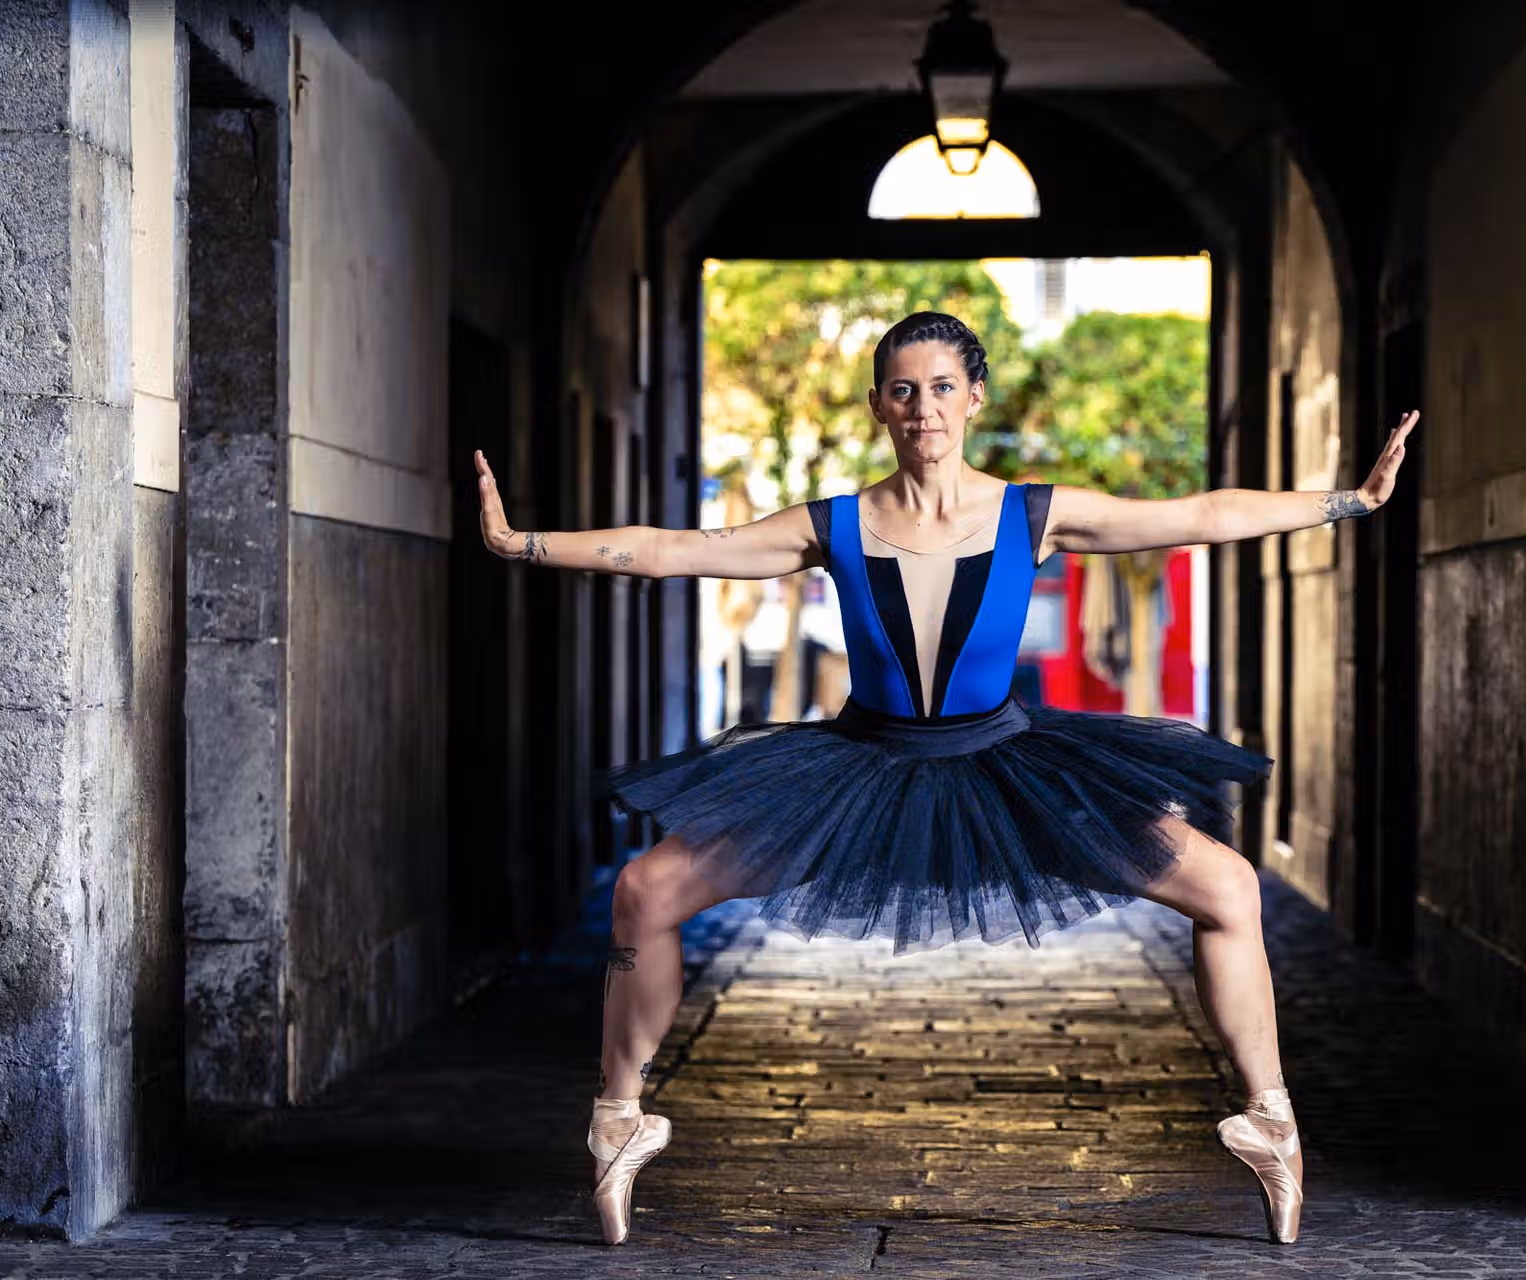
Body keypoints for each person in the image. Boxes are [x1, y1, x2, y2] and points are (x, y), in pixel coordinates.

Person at [472, 311, 1419, 1248]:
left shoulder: (1034, 513)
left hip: (1008, 764)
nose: (922, 408)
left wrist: (1351, 501)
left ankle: (1271, 1121)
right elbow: (675, 549)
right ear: (880, 407)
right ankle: (619, 1119)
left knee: (1228, 887)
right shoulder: (834, 525)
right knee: (644, 890)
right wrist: (523, 544)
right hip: (859, 767)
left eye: (939, 388)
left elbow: (1204, 516)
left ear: (975, 398)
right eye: (902, 390)